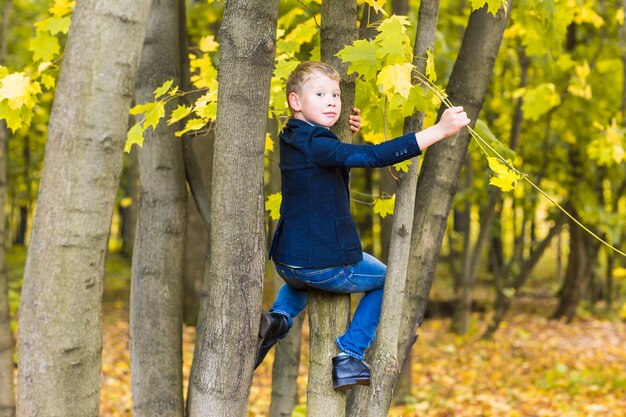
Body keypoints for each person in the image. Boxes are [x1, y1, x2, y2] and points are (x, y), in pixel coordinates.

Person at [255, 61, 470, 390]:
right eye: (321, 94)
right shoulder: (319, 144)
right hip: (322, 264)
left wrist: (345, 128)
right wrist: (438, 131)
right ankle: (349, 355)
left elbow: (326, 158)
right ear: (295, 101)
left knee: (304, 280)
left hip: (288, 263)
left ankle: (278, 319)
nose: (332, 101)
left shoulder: (292, 137)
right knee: (387, 278)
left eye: (336, 95)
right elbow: (371, 157)